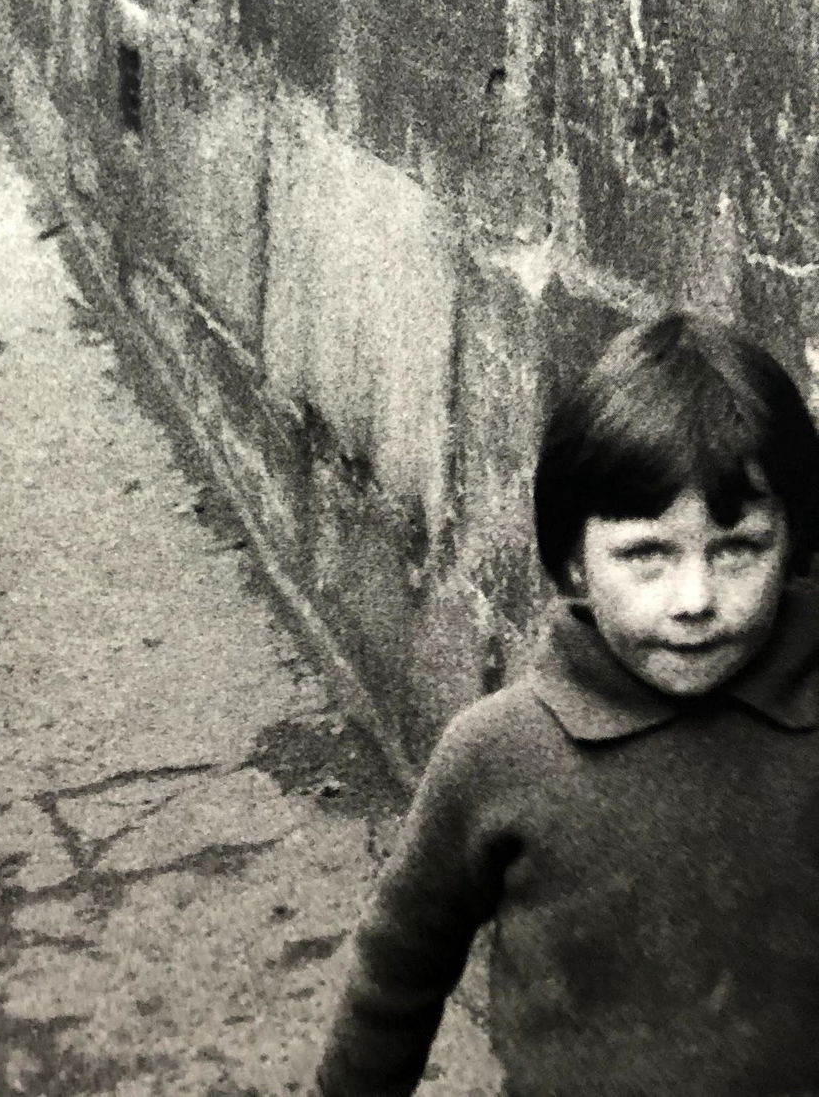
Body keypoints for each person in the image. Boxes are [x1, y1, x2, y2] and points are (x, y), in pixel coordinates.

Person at [312, 311, 819, 1097]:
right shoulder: (498, 753)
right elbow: (395, 974)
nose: (695, 598)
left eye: (738, 548)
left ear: (792, 547)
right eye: (646, 554)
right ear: (575, 566)